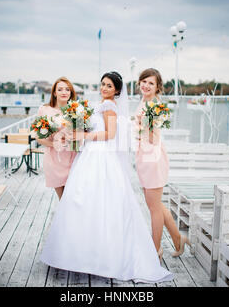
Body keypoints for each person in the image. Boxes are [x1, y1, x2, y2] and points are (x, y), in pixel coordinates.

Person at [40, 71, 173, 283]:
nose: (104, 88)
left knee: (98, 203)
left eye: (109, 86)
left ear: (117, 90)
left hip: (101, 156)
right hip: (90, 155)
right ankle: (84, 253)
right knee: (84, 203)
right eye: (103, 84)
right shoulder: (101, 104)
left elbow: (109, 135)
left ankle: (98, 255)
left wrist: (84, 135)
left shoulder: (110, 107)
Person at [134, 68, 190, 260]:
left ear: (158, 87)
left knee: (154, 208)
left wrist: (140, 127)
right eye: (144, 81)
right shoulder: (144, 102)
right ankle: (178, 239)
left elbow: (153, 136)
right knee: (155, 205)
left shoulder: (155, 106)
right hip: (144, 157)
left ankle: (155, 249)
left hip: (153, 158)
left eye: (151, 83)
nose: (146, 85)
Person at [36, 77, 77, 200]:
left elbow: (80, 138)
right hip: (54, 159)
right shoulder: (44, 110)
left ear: (71, 92)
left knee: (74, 198)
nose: (64, 92)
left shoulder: (77, 110)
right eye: (60, 89)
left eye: (67, 89)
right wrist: (54, 144)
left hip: (73, 159)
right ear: (54, 93)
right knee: (63, 199)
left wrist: (73, 139)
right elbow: (38, 138)